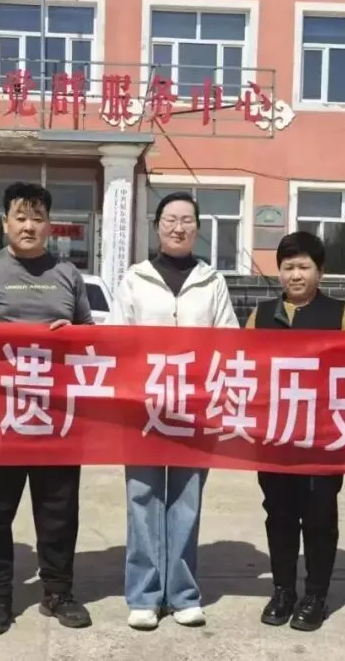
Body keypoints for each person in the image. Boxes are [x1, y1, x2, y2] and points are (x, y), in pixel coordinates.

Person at [0, 181, 94, 635]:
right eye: (20, 217)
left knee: (58, 511)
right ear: (5, 223)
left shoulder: (68, 274)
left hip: (57, 416)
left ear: (50, 225)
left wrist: (74, 335)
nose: (29, 226)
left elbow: (90, 337)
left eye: (38, 218)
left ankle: (58, 592)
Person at [109, 191, 240, 631]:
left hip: (195, 408)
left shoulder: (212, 282)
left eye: (186, 220)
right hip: (143, 407)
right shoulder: (135, 279)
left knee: (186, 500)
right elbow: (116, 341)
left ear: (197, 228)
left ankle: (183, 594)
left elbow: (229, 340)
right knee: (142, 498)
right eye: (170, 219)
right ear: (157, 226)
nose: (178, 227)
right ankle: (144, 595)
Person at [244, 230, 345, 632]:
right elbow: (243, 369)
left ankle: (315, 595)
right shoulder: (261, 315)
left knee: (319, 515)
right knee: (278, 513)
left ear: (320, 272)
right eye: (288, 267)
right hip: (274, 436)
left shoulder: (341, 314)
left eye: (304, 267)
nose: (295, 275)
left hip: (323, 438)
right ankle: (283, 590)